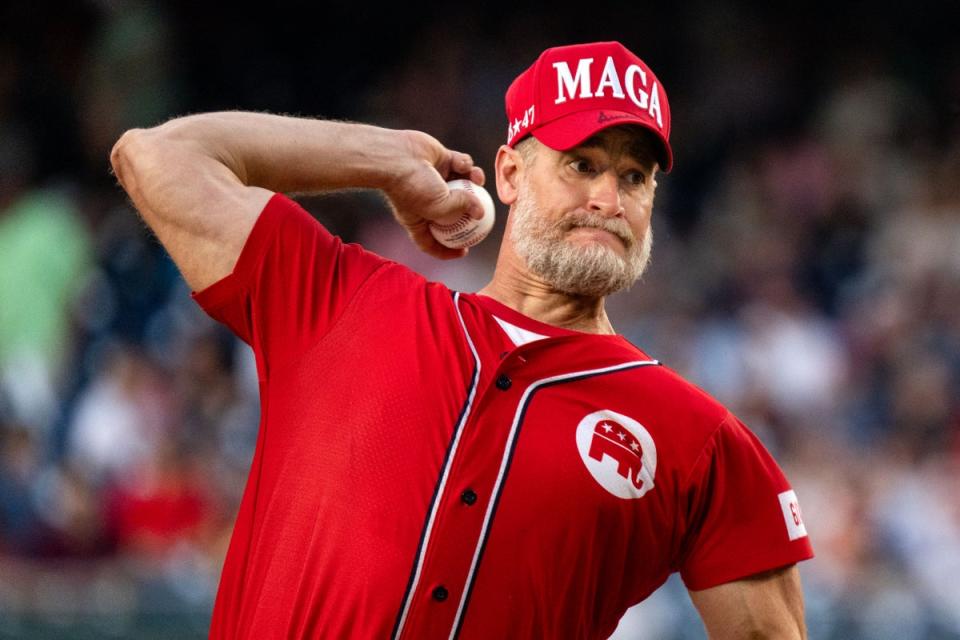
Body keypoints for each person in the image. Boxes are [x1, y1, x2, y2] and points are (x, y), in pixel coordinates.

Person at [111, 41, 813, 639]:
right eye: (582, 164)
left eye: (635, 176)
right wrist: (387, 157)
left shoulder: (697, 440)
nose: (609, 198)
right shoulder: (345, 303)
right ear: (509, 173)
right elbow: (158, 157)